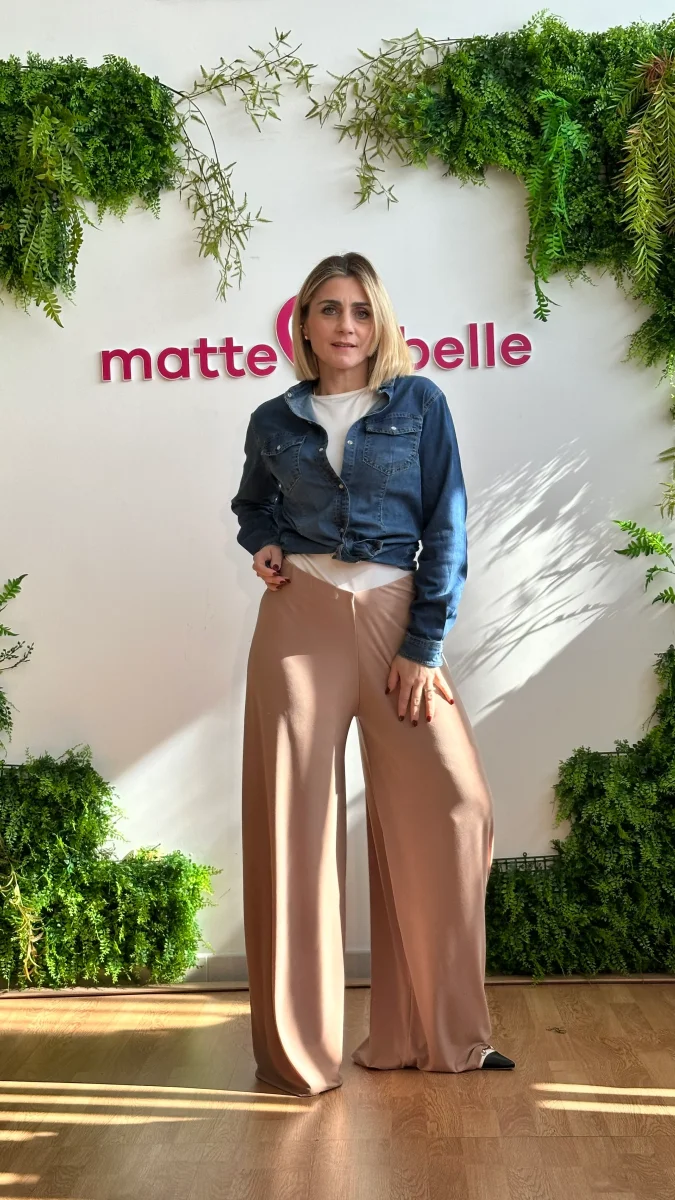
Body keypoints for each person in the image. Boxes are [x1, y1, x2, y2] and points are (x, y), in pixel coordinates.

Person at [230, 252, 514, 1097]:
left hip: (397, 620)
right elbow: (251, 504)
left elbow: (447, 523)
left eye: (359, 309)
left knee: (454, 805)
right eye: (328, 309)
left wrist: (423, 647)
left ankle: (436, 1035)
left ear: (379, 321)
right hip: (298, 623)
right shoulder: (272, 419)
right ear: (303, 324)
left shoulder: (419, 402)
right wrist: (264, 542)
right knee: (293, 823)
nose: (345, 325)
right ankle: (299, 1054)